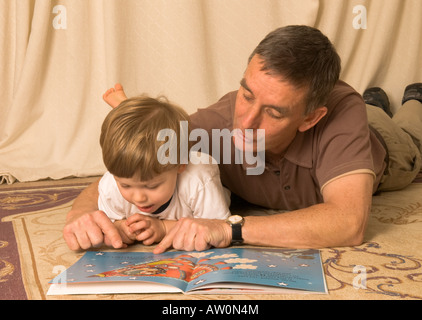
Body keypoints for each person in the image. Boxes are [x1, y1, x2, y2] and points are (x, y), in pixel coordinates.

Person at [63, 25, 422, 253]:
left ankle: (411, 101)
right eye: (247, 95)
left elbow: (348, 223)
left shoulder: (342, 116)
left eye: (275, 112)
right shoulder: (210, 127)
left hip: (390, 148)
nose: (245, 123)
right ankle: (380, 100)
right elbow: (130, 170)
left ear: (310, 117)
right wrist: (80, 216)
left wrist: (228, 229)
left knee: (410, 132)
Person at [63, 94, 231, 250]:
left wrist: (163, 228)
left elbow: (216, 227)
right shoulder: (111, 185)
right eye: (126, 185)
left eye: (151, 186)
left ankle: (124, 105)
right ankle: (125, 108)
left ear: (180, 165)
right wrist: (120, 228)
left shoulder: (199, 180)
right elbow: (107, 221)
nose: (139, 198)